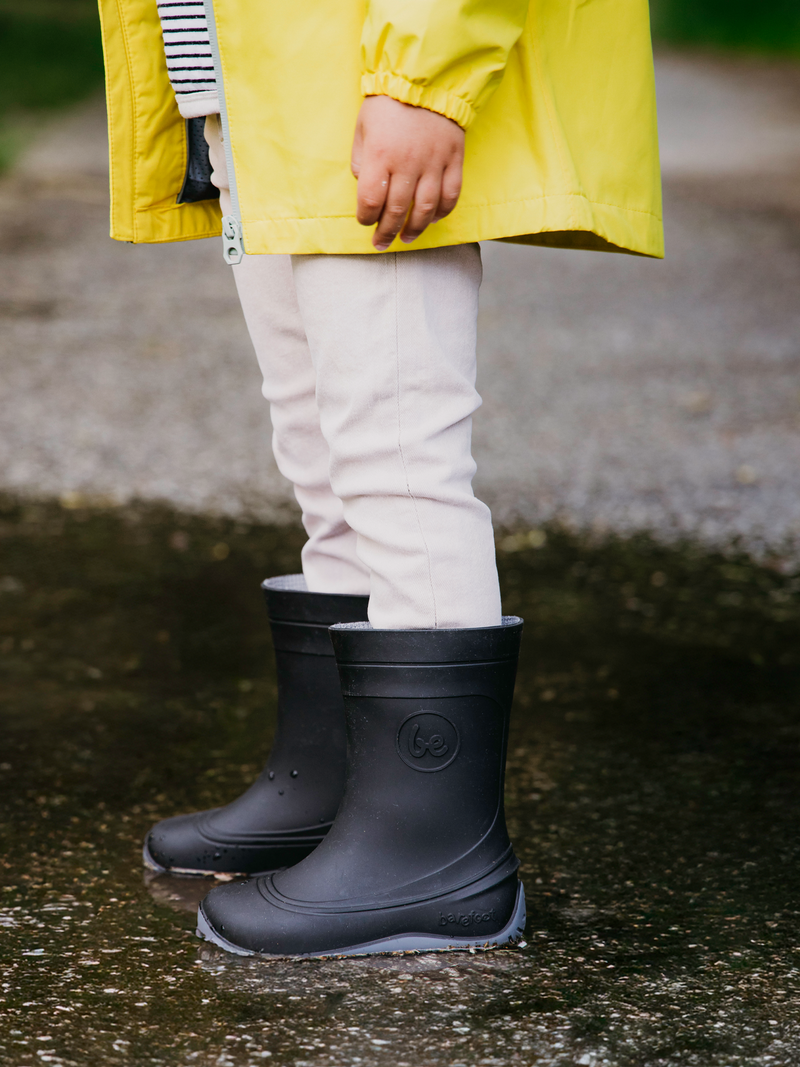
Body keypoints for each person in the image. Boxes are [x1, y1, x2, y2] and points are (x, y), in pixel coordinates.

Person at [97, 0, 662, 956]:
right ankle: (340, 786)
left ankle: (433, 852)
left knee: (397, 457)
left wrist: (422, 82)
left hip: (362, 69)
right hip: (251, 80)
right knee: (323, 454)